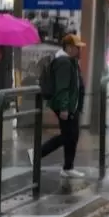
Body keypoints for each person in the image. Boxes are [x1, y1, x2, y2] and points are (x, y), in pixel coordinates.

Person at [40, 34, 86, 178]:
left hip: (72, 105)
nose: (80, 50)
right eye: (77, 47)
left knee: (72, 135)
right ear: (69, 48)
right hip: (66, 106)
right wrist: (64, 108)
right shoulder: (63, 62)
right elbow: (63, 87)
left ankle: (68, 167)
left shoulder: (71, 61)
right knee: (68, 136)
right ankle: (37, 154)